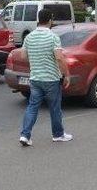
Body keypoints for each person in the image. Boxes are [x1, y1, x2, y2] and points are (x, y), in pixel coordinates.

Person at [18, 9, 73, 146]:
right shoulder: (53, 37)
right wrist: (66, 75)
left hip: (35, 78)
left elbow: (23, 56)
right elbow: (59, 58)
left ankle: (25, 135)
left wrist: (36, 61)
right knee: (54, 108)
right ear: (50, 20)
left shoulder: (29, 37)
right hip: (51, 79)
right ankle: (58, 135)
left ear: (38, 19)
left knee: (32, 107)